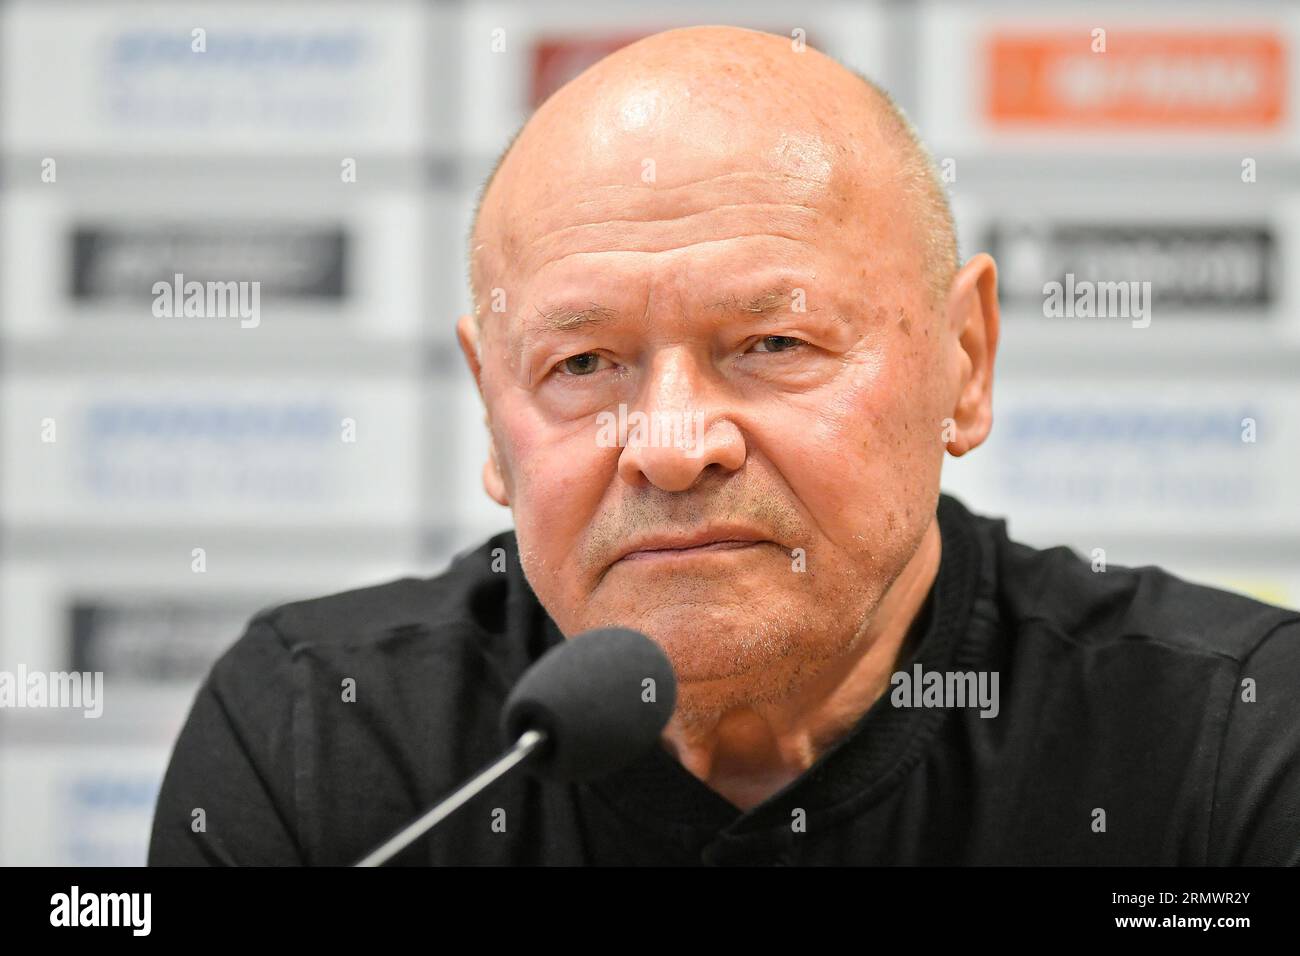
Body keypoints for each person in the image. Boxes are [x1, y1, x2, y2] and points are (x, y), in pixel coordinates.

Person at [149, 25, 1300, 866]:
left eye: (772, 340)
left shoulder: (1228, 734)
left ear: (964, 360)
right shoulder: (320, 730)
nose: (671, 444)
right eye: (583, 365)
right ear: (493, 411)